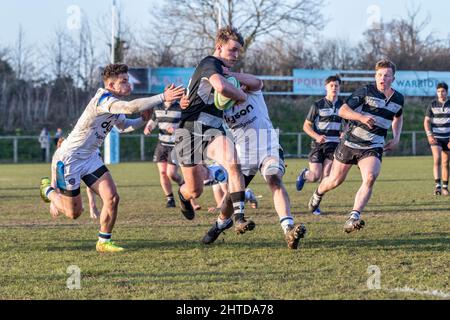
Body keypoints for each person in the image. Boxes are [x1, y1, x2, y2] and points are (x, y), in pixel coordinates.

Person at [39, 63, 184, 253]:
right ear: (111, 85)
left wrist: (143, 120)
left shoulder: (113, 104)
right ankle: (48, 190)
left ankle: (103, 241)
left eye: (128, 80)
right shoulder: (103, 100)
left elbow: (124, 126)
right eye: (123, 81)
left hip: (90, 158)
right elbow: (131, 107)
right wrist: (162, 97)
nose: (128, 84)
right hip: (69, 159)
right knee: (74, 213)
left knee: (112, 197)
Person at [201, 71, 307, 249]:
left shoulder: (252, 93)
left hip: (269, 148)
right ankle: (221, 224)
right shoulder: (221, 107)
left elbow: (258, 82)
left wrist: (229, 75)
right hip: (244, 154)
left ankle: (288, 228)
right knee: (231, 197)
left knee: (274, 179)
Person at [308, 59, 404, 233]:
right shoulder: (366, 91)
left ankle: (354, 217)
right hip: (350, 143)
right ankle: (318, 193)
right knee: (334, 181)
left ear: (393, 78)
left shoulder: (398, 98)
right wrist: (361, 118)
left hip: (373, 146)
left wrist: (396, 137)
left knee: (370, 177)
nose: (383, 78)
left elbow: (397, 116)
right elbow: (343, 110)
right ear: (375, 76)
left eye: (387, 75)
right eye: (380, 75)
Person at [175, 26, 255, 235]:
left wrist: (239, 87)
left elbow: (253, 83)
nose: (236, 55)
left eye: (239, 51)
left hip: (213, 130)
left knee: (233, 163)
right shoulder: (210, 63)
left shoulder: (226, 70)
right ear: (219, 47)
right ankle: (183, 195)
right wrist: (241, 95)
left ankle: (238, 218)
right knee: (195, 190)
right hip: (189, 132)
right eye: (232, 50)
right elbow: (220, 87)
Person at [296, 75, 346, 215]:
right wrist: (317, 136)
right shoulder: (317, 105)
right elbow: (306, 126)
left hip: (334, 146)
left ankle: (315, 203)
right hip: (319, 145)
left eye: (336, 85)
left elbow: (348, 123)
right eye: (332, 85)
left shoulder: (343, 105)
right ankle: (304, 174)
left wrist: (344, 132)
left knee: (326, 178)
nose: (334, 88)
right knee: (315, 176)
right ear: (326, 87)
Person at [143, 97, 201, 209]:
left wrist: (176, 129)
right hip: (162, 144)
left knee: (172, 174)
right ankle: (170, 199)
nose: (173, 95)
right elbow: (153, 121)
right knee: (163, 173)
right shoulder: (157, 107)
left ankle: (186, 192)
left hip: (175, 145)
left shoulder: (180, 106)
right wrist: (148, 127)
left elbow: (187, 124)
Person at [424, 82, 450, 196]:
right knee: (437, 159)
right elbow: (426, 121)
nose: (440, 93)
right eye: (438, 91)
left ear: (447, 92)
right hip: (436, 138)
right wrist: (429, 135)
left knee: (445, 162)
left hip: (448, 138)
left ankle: (445, 187)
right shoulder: (432, 104)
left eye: (443, 91)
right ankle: (437, 186)